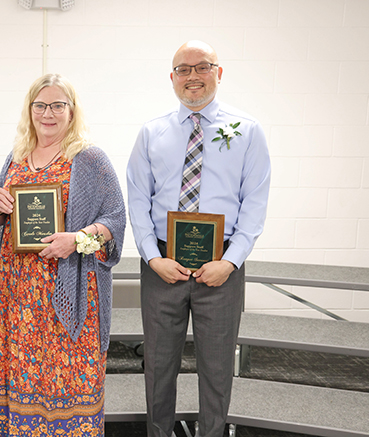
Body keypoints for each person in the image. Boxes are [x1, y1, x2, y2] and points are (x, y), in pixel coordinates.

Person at [126, 41, 271, 437]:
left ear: (218, 73)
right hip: (162, 265)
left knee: (217, 365)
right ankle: (159, 432)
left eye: (202, 67)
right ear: (172, 78)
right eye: (183, 69)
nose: (193, 76)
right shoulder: (151, 133)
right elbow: (137, 199)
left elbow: (254, 202)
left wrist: (231, 261)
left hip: (221, 267)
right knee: (158, 364)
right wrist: (152, 257)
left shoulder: (247, 131)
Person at [0, 73, 126, 436]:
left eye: (58, 105)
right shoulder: (16, 157)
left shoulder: (89, 158)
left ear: (71, 110)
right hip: (20, 300)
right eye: (40, 105)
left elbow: (115, 222)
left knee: (69, 382)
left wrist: (77, 240)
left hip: (69, 295)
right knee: (24, 382)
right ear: (30, 110)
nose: (48, 113)